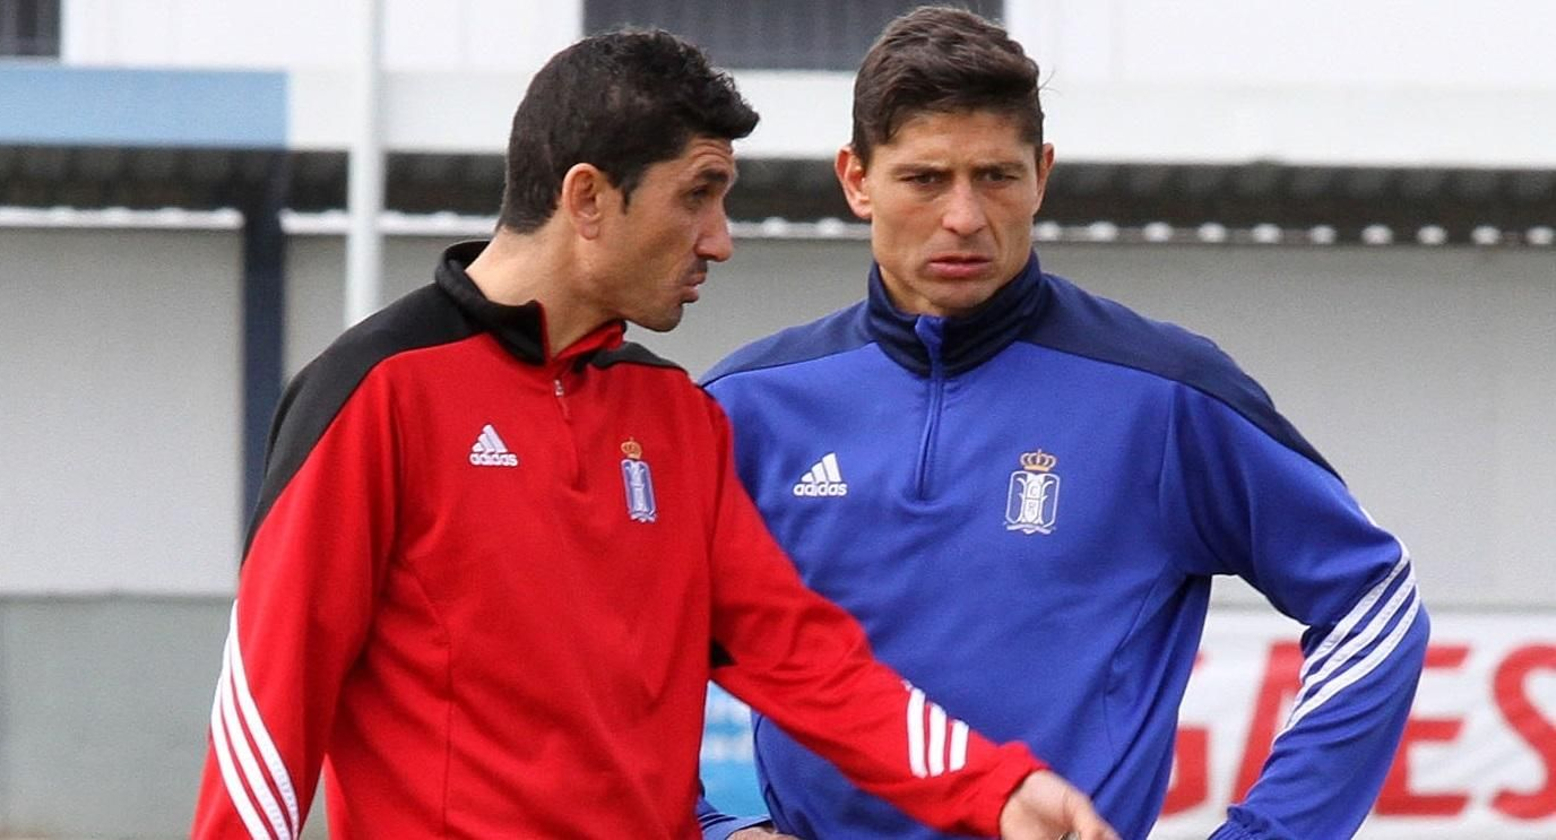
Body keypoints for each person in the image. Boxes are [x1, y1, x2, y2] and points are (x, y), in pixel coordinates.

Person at [191, 26, 1118, 840]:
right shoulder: (378, 392)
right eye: (697, 195)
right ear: (588, 198)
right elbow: (267, 722)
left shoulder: (676, 418)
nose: (719, 238)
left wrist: (998, 791)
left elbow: (802, 658)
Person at [698, 7, 1429, 840]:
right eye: (925, 179)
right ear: (857, 179)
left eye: (997, 177)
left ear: (1041, 175)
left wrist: (1272, 832)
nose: (965, 216)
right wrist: (709, 827)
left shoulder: (1163, 395)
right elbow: (611, 640)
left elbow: (1376, 601)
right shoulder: (747, 405)